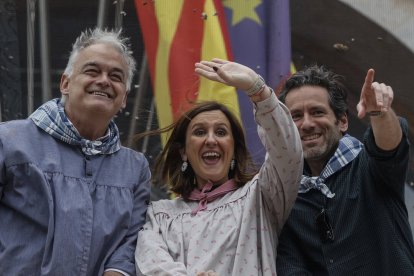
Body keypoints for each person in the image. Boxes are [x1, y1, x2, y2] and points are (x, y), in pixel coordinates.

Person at [0, 28, 151, 275]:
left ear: (124, 97)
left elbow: (131, 242)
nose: (104, 80)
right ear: (66, 83)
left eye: (116, 76)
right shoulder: (9, 142)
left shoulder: (135, 169)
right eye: (92, 71)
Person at [134, 58, 303, 275]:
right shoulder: (158, 216)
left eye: (221, 132)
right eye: (200, 132)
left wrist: (258, 90)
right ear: (184, 151)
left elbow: (289, 153)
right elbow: (151, 266)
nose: (211, 140)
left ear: (234, 149)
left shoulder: (260, 197)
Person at [276, 65, 414, 275]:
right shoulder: (285, 196)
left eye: (317, 112)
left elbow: (389, 147)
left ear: (342, 121)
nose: (306, 124)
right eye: (295, 116)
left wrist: (379, 113)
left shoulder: (370, 167)